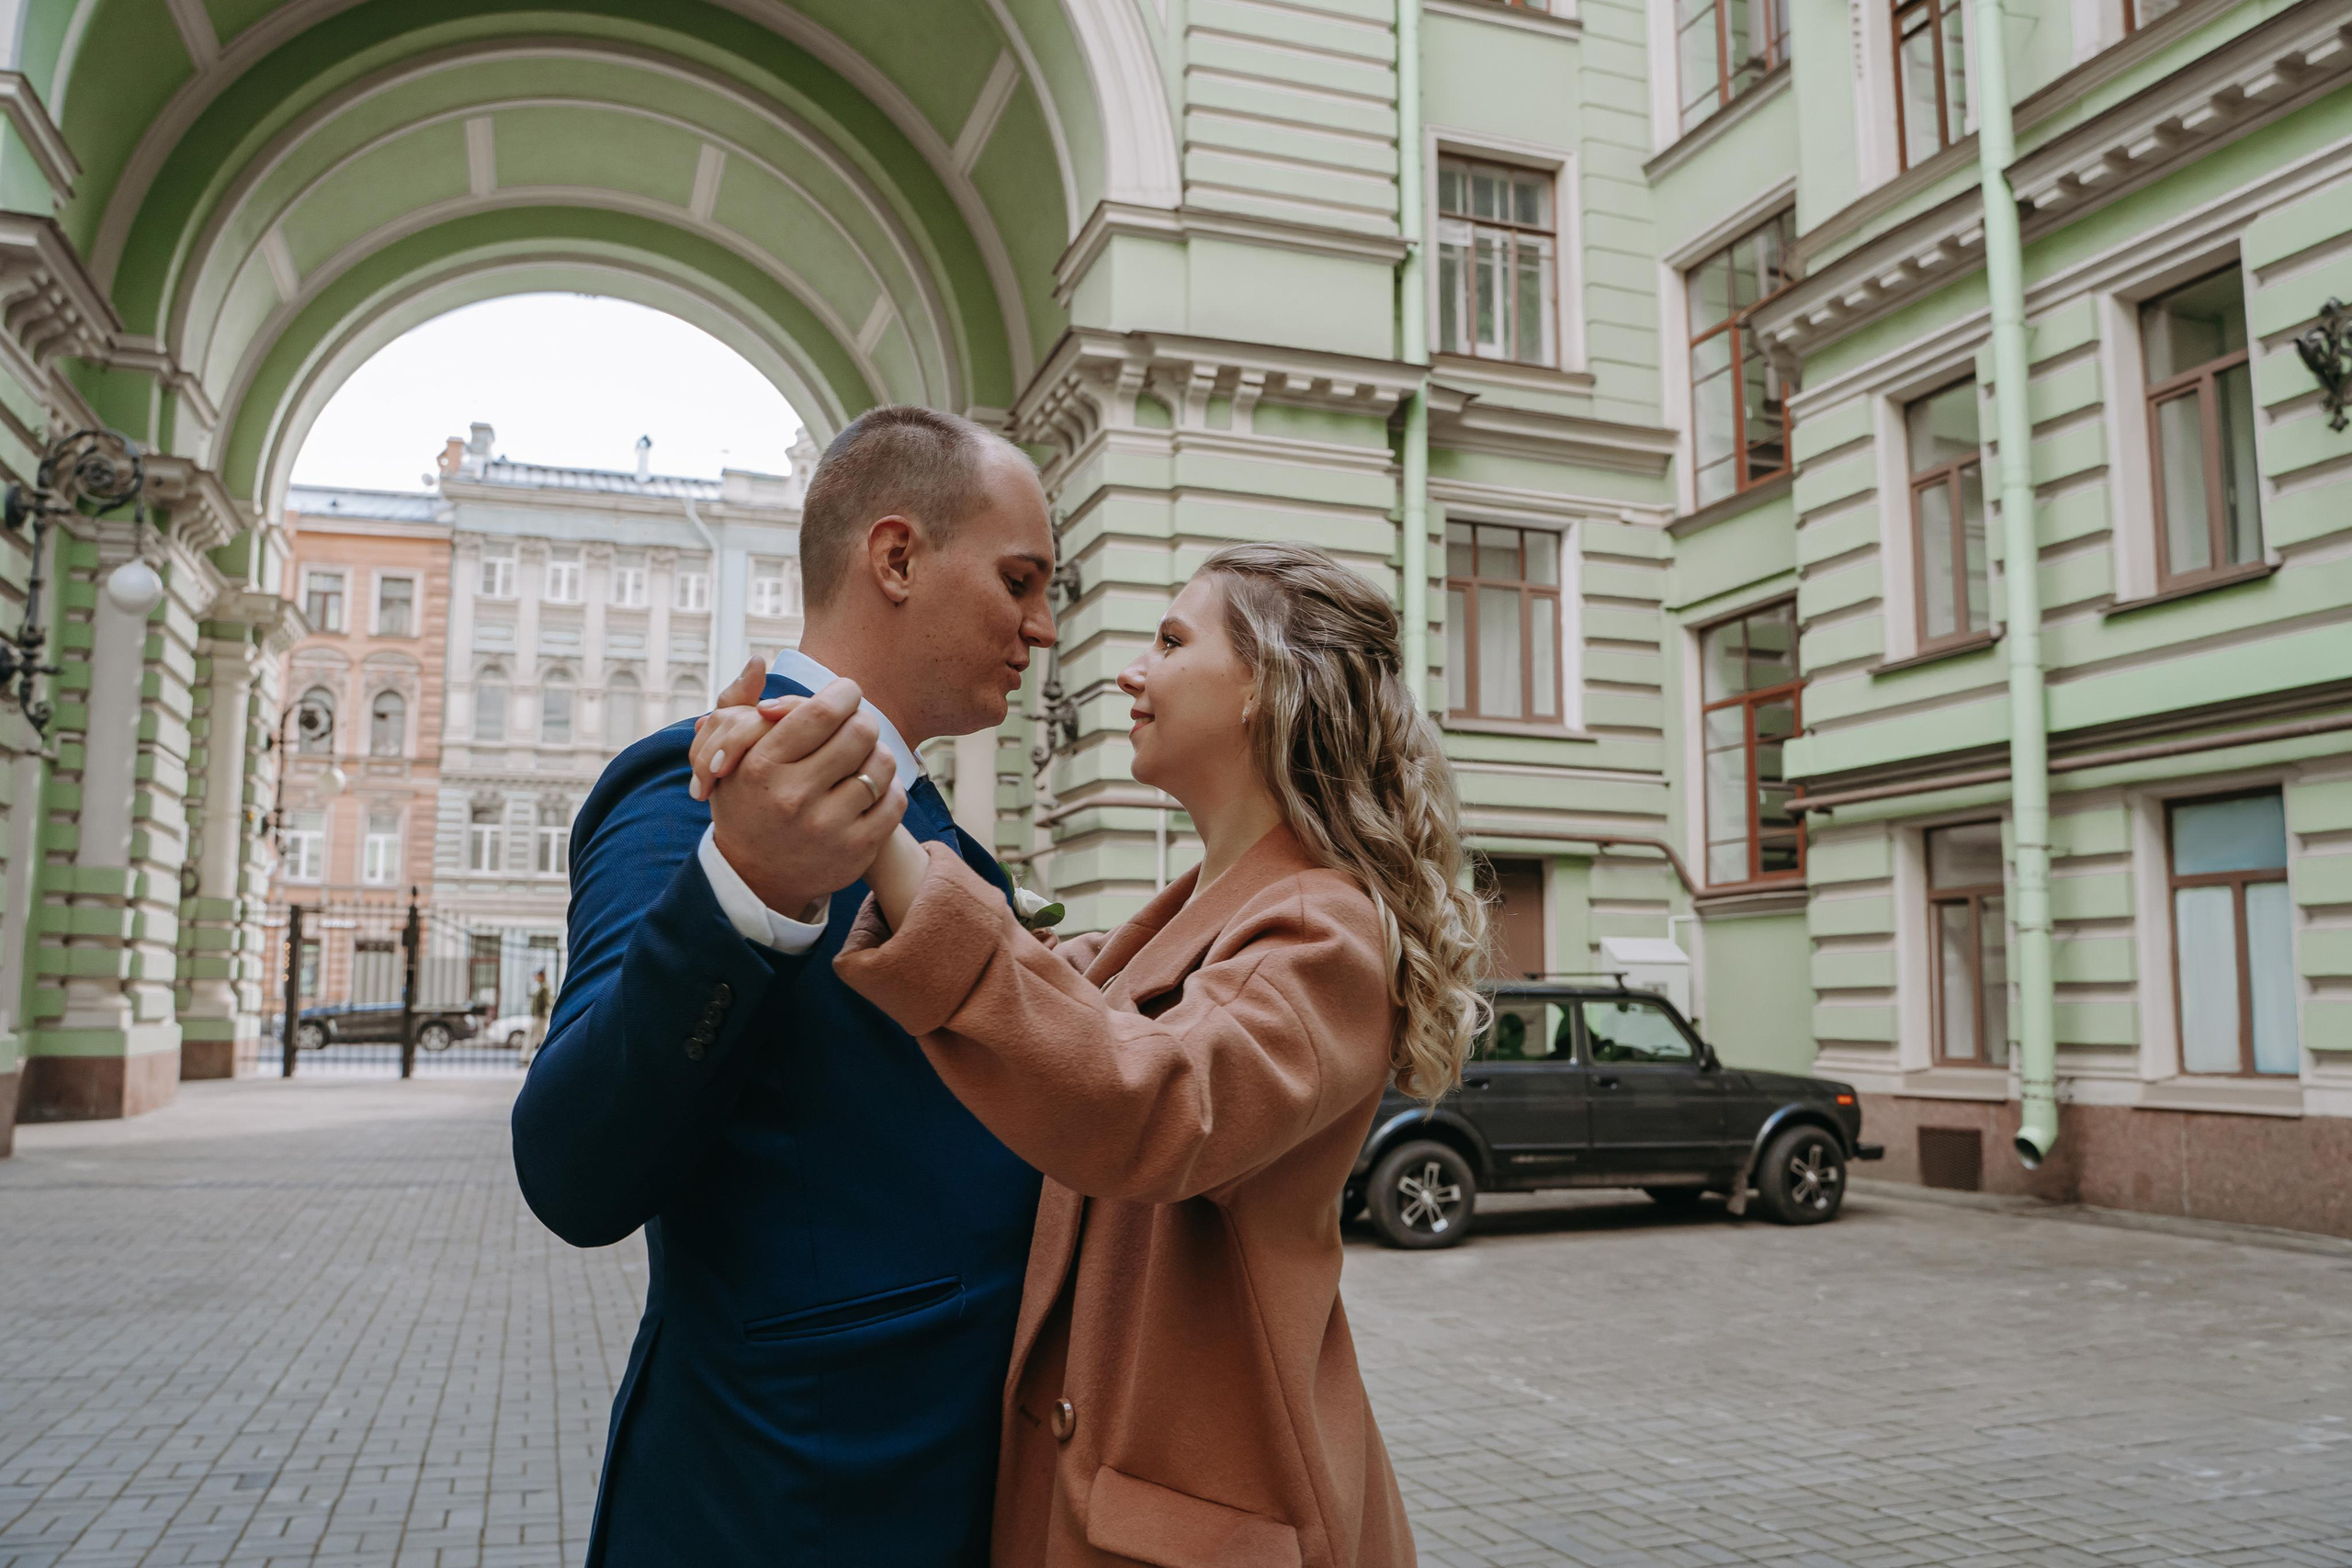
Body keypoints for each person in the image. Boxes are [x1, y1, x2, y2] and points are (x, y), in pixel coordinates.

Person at [692, 542, 1488, 1568]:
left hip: (1206, 1517)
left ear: (1264, 687)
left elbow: (1149, 1101)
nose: (1128, 672)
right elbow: (1045, 984)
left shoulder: (1322, 931)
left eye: (1169, 642)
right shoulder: (1192, 911)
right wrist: (805, 779)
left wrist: (871, 820)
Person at [509, 405, 1058, 1565]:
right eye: (1019, 581)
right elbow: (573, 1168)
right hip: (793, 1501)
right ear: (897, 557)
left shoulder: (938, 830)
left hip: (947, 1485)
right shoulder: (693, 790)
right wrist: (744, 888)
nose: (1042, 628)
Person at [522, 968, 553, 1061]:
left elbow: (547, 1002)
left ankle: (525, 1058)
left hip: (540, 1017)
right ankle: (547, 1057)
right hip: (539, 1016)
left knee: (532, 1036)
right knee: (543, 1037)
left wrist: (541, 1013)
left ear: (541, 976)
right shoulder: (541, 987)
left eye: (537, 976)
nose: (535, 978)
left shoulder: (544, 988)